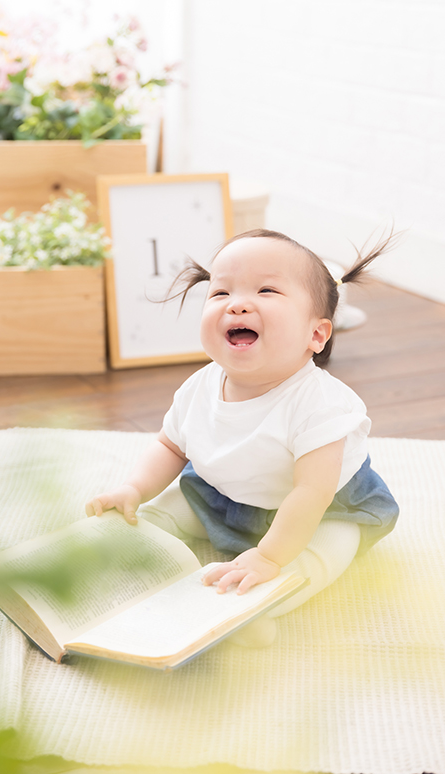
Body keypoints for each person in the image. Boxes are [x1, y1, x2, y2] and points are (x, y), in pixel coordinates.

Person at [85, 230, 399, 647]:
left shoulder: (321, 405)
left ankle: (253, 610)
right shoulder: (200, 386)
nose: (237, 303)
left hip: (318, 510)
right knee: (160, 511)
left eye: (266, 290)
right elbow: (170, 446)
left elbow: (312, 492)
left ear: (316, 335)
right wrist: (134, 489)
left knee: (329, 550)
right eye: (221, 292)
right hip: (222, 495)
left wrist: (269, 556)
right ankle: (124, 550)